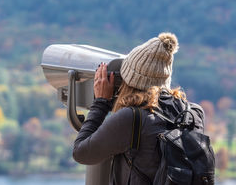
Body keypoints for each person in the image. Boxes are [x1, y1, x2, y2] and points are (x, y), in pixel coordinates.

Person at [72, 32, 205, 184]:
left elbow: (81, 153)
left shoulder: (132, 118)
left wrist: (101, 102)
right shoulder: (194, 114)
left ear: (129, 81)